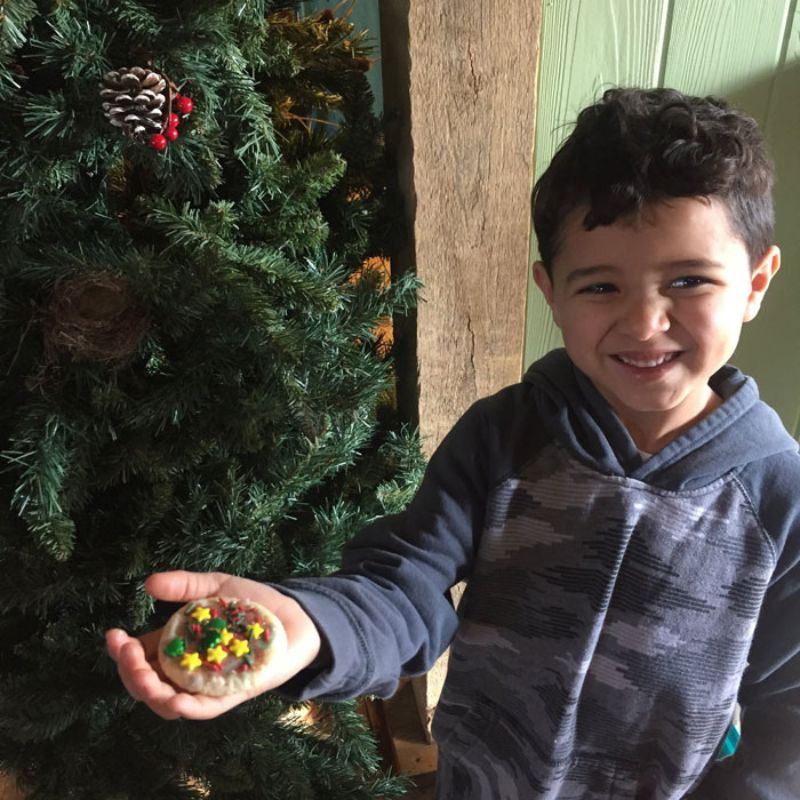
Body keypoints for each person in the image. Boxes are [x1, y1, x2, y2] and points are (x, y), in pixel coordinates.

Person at [107, 87, 800, 799]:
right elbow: (406, 585)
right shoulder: (504, 436)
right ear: (551, 291)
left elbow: (789, 718)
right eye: (600, 287)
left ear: (754, 283)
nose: (645, 322)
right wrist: (310, 627)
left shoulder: (782, 498)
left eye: (688, 280)